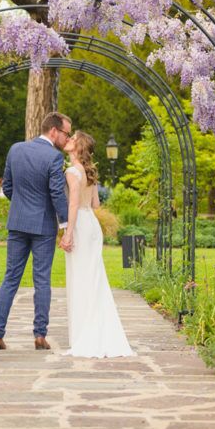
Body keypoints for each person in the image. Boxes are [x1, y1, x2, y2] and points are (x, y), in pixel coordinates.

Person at [0, 112, 71, 350]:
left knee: (10, 278)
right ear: (53, 131)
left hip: (17, 223)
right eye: (66, 133)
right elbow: (56, 193)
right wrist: (65, 225)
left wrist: (21, 206)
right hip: (43, 226)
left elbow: (8, 187)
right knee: (42, 280)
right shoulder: (54, 157)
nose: (67, 139)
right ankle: (39, 336)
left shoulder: (15, 149)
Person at [59, 131, 134, 358]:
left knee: (81, 279)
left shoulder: (72, 172)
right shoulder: (89, 173)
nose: (68, 139)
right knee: (94, 277)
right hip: (91, 224)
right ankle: (98, 329)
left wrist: (68, 233)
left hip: (80, 225)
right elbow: (95, 203)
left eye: (72, 138)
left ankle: (85, 334)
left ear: (77, 146)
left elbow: (73, 205)